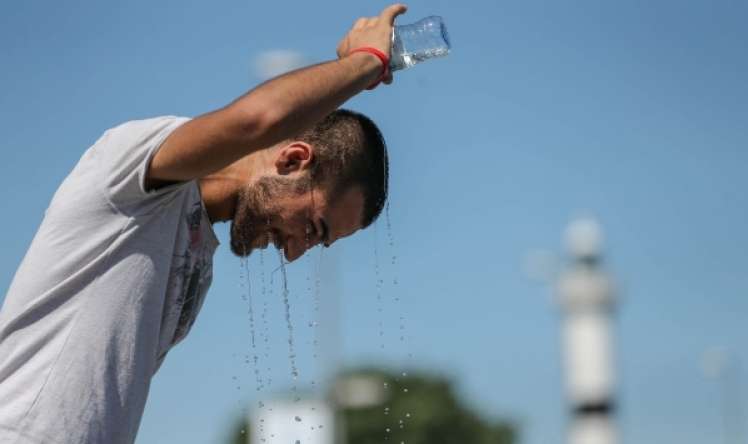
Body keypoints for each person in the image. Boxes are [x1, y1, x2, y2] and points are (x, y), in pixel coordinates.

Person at [0, 4, 407, 443]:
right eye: (313, 227)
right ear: (292, 160)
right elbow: (258, 121)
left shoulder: (198, 261)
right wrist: (365, 63)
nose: (293, 252)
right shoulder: (133, 170)